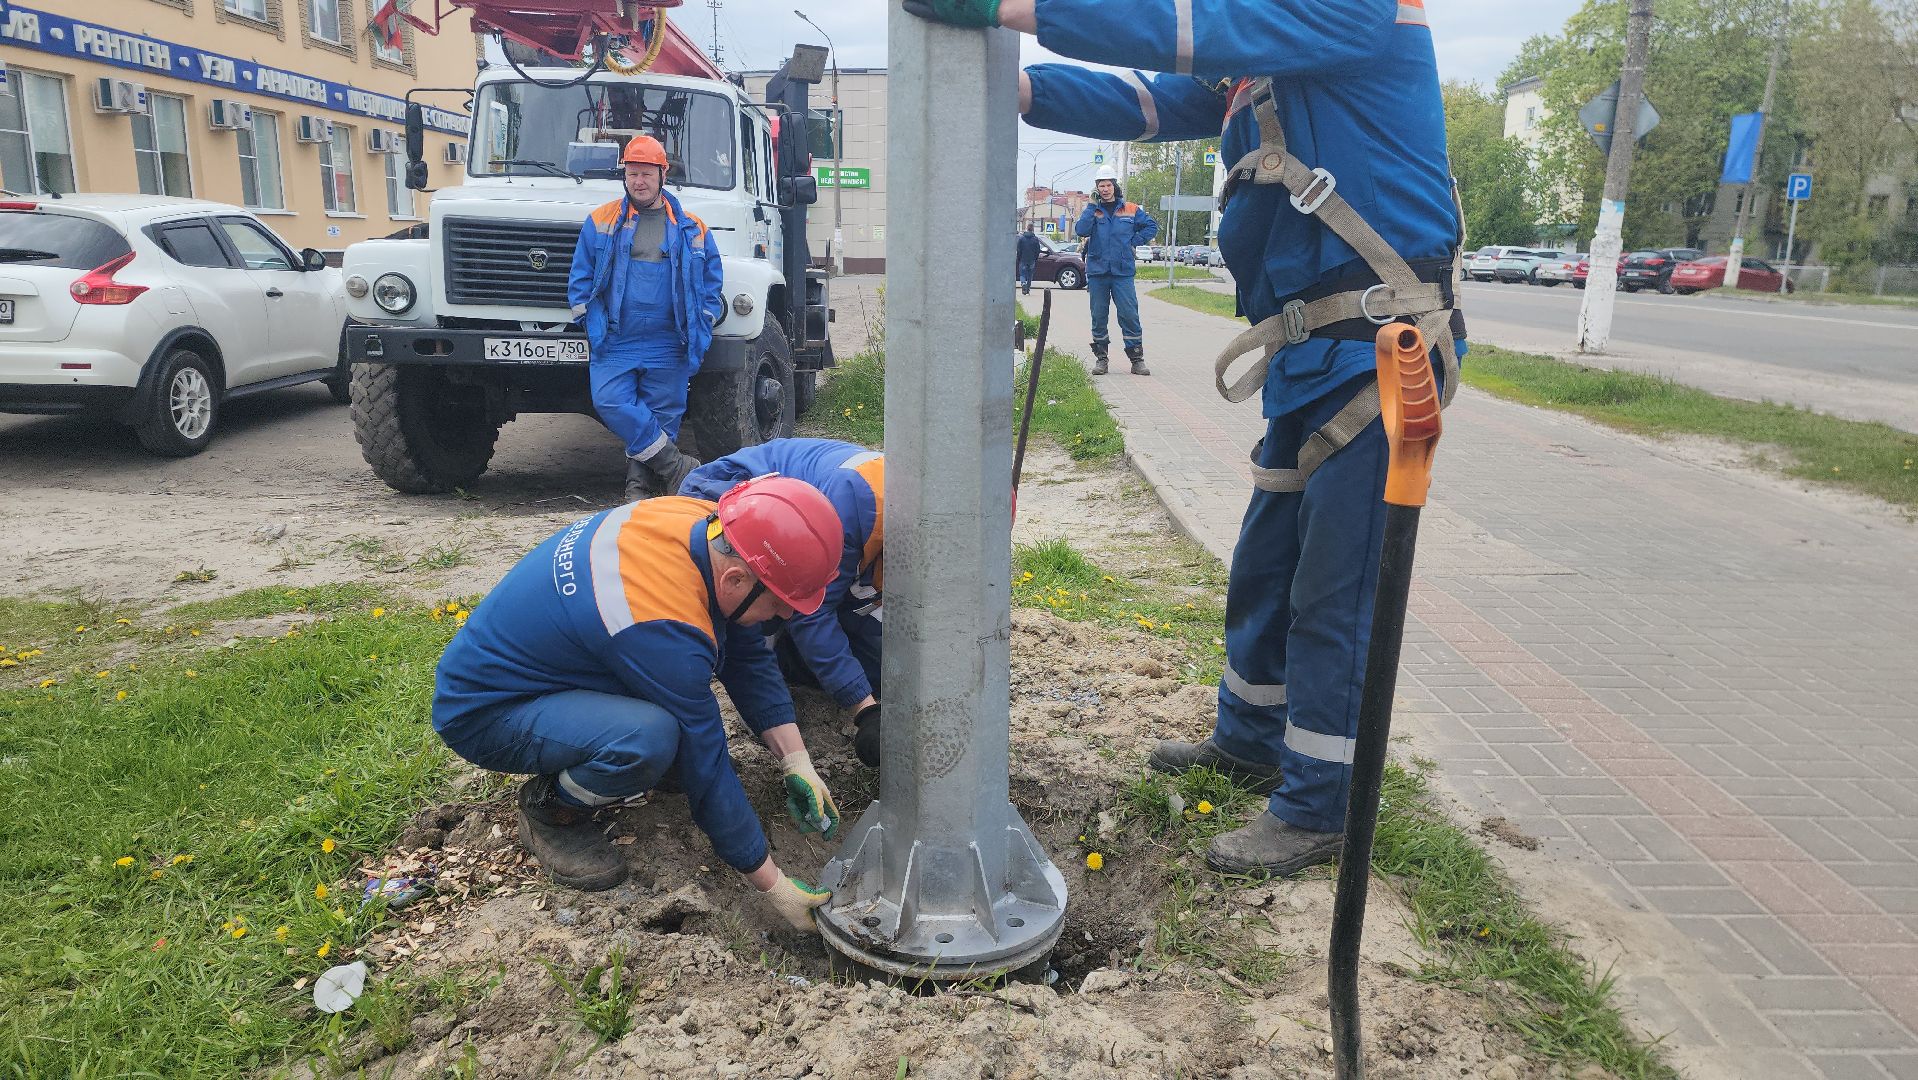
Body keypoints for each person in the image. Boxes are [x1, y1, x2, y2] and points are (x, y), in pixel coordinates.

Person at [905, 0, 1465, 877]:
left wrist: (1012, 7)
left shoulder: (1350, 11)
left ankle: (1320, 806)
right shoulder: (1263, 62)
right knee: (1267, 564)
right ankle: (1250, 742)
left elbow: (1180, 27)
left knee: (1334, 592)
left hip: (1382, 352)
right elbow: (1146, 101)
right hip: (1316, 353)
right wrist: (1014, 86)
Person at [431, 476, 849, 930]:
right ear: (735, 578)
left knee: (672, 729)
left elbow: (745, 652)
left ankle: (606, 758)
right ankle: (549, 810)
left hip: (561, 667)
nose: (783, 617)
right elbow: (705, 758)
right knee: (649, 739)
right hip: (488, 711)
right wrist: (775, 886)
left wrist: (796, 760)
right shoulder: (659, 621)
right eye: (779, 606)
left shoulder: (710, 527)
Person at [681, 438, 887, 767]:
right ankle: (770, 665)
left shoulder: (910, 529)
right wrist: (864, 710)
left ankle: (787, 652)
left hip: (819, 530)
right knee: (764, 611)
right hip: (730, 503)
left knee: (879, 668)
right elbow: (812, 614)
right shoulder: (853, 508)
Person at [569, 134, 725, 502]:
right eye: (632, 173)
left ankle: (638, 489)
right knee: (609, 401)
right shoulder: (602, 220)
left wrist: (701, 324)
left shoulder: (693, 228)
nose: (638, 181)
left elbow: (711, 285)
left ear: (662, 175)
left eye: (646, 174)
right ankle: (675, 467)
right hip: (617, 339)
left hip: (669, 340)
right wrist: (592, 324)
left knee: (664, 416)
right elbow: (581, 280)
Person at [1074, 164, 1157, 375]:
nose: (1105, 189)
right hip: (1098, 272)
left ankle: (1137, 360)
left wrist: (1134, 242)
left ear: (1114, 186)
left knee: (1129, 315)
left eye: (1108, 184)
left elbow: (1151, 227)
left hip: (1122, 272)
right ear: (1097, 188)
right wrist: (1092, 206)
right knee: (1099, 316)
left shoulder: (1130, 209)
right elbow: (1081, 230)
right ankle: (1101, 359)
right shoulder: (1093, 211)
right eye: (1101, 185)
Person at [1017, 225, 1043, 295]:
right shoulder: (1035, 239)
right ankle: (1028, 289)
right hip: (1032, 260)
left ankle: (1023, 283)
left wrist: (1019, 258)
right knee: (1030, 275)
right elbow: (1038, 250)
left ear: (1027, 229)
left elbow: (1018, 250)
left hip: (1023, 259)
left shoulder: (1021, 239)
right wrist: (1035, 258)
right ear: (1033, 230)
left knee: (1022, 274)